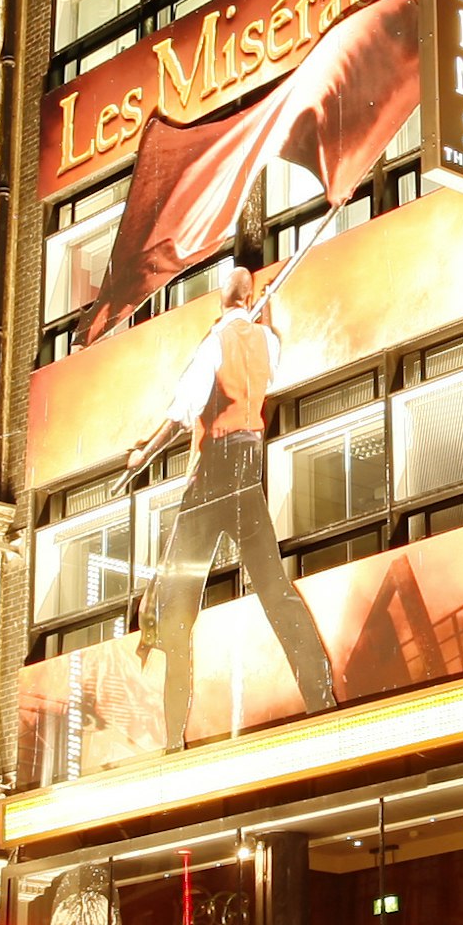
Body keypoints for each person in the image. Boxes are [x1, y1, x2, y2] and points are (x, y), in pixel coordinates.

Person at [133, 254, 340, 750]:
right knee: (273, 588)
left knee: (179, 604)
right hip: (250, 467)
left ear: (222, 299)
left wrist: (144, 450)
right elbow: (272, 355)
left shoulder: (213, 344)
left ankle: (172, 737)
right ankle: (321, 695)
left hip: (213, 473)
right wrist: (261, 321)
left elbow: (183, 411)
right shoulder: (263, 341)